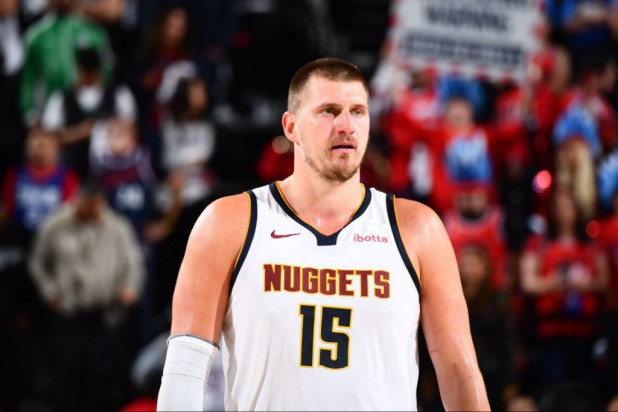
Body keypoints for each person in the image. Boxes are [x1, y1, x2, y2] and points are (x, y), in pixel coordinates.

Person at [157, 57, 489, 411]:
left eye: (358, 112)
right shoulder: (228, 223)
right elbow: (185, 371)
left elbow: (458, 372)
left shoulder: (418, 228)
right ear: (291, 127)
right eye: (329, 111)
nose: (346, 125)